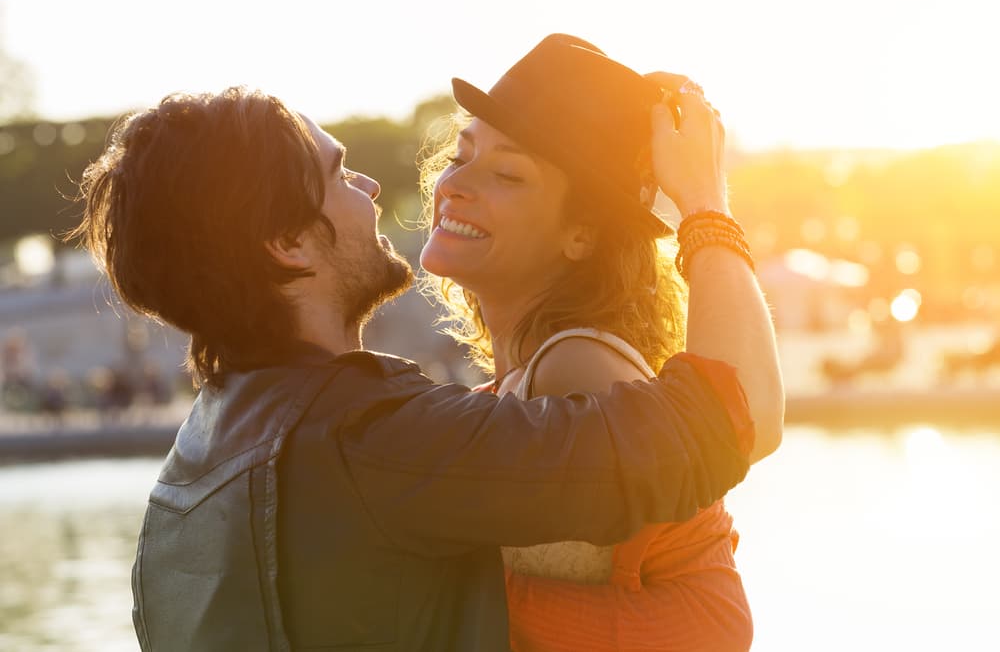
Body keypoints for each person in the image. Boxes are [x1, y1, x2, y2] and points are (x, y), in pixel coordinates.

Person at [69, 85, 757, 652]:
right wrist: (705, 204)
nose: (370, 185)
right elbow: (725, 416)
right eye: (338, 174)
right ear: (286, 242)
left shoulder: (182, 481)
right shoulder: (378, 438)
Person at [419, 34, 784, 650]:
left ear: (582, 236)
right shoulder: (522, 377)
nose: (456, 183)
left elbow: (743, 419)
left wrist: (703, 201)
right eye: (461, 156)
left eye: (507, 173)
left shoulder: (575, 365)